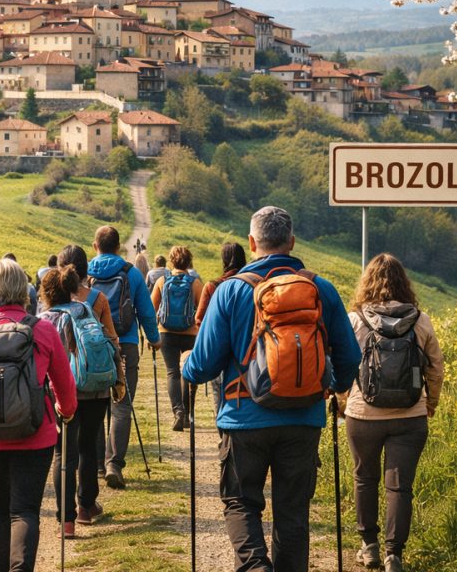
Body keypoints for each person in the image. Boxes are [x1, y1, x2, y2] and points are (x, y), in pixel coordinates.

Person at [182, 206, 360, 572]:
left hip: (243, 419)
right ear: (292, 242)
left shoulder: (231, 291)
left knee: (241, 503)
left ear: (252, 242)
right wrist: (333, 388)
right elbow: (350, 356)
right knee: (293, 512)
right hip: (304, 418)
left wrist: (187, 363)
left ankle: (254, 567)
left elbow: (201, 367)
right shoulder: (319, 288)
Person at [0, 259, 78, 572]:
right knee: (25, 510)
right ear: (23, 290)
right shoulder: (43, 330)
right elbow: (66, 388)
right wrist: (65, 411)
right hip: (35, 436)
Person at [344, 254, 444, 572]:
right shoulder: (420, 320)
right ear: (405, 282)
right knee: (400, 486)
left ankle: (369, 546)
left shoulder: (356, 319)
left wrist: (343, 398)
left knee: (365, 478)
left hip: (363, 414)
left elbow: (343, 364)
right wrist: (431, 402)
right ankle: (394, 554)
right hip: (410, 415)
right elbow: (436, 368)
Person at [39, 266, 125, 537]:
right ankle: (86, 506)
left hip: (61, 394)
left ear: (47, 293)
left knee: (63, 453)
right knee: (88, 445)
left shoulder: (45, 319)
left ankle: (67, 520)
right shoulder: (85, 310)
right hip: (94, 387)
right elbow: (110, 340)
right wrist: (119, 380)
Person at [88, 225, 160, 490]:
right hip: (125, 345)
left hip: (93, 346)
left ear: (95, 246)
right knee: (121, 405)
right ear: (119, 247)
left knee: (95, 403)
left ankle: (95, 463)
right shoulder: (131, 274)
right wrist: (154, 339)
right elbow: (146, 311)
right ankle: (113, 464)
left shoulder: (85, 274)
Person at [149, 246, 204, 432]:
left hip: (166, 332)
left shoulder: (162, 281)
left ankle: (178, 412)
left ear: (171, 261)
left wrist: (152, 334)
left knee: (173, 372)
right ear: (189, 262)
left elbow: (151, 307)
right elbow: (204, 309)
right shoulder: (195, 283)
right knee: (189, 370)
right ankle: (188, 413)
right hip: (190, 333)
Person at [194, 242, 247, 411]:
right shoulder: (254, 284)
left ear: (224, 260)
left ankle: (223, 433)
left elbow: (199, 319)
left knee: (219, 392)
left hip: (219, 350)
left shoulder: (213, 286)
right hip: (248, 351)